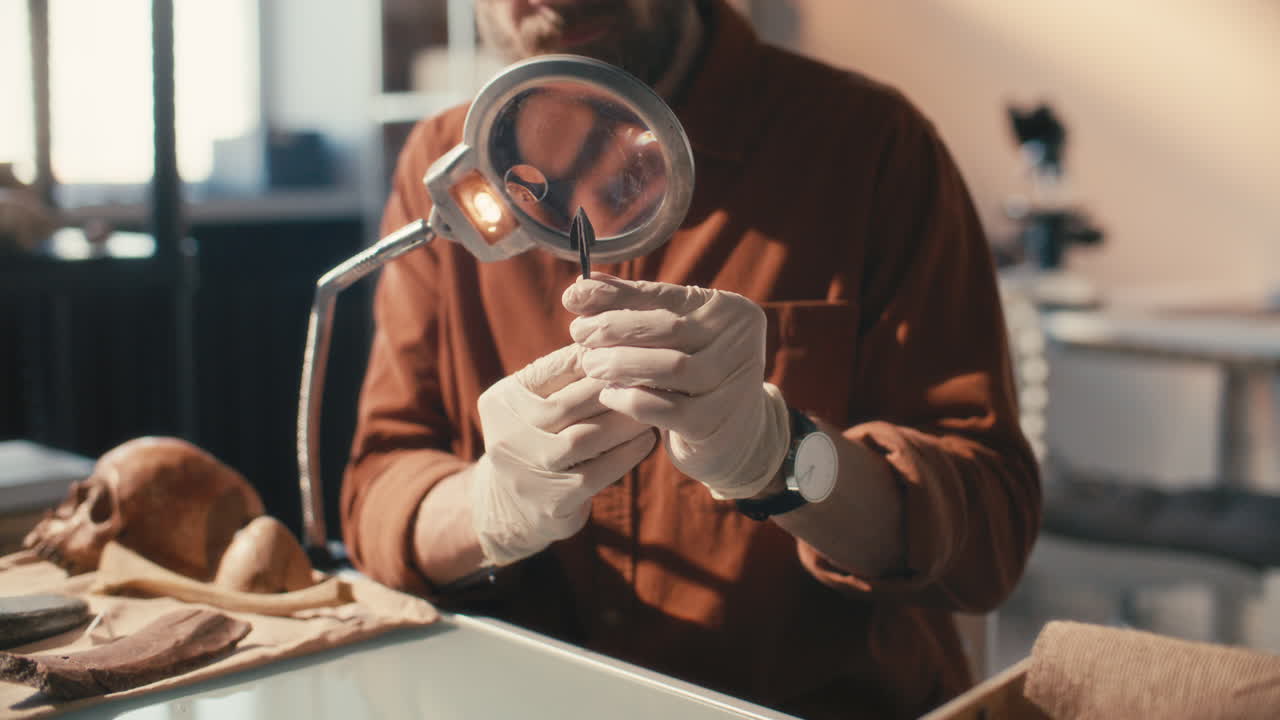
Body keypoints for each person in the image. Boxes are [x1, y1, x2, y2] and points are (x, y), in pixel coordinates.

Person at [341, 1, 1041, 718]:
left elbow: (991, 538)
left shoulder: (868, 149)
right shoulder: (448, 170)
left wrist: (785, 458)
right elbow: (378, 495)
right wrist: (487, 505)